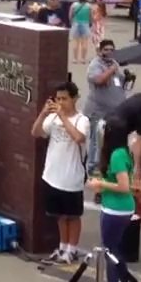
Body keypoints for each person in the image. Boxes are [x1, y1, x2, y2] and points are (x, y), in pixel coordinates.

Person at [86, 116, 141, 282]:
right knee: (114, 249)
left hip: (116, 209)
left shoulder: (117, 155)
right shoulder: (121, 152)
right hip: (118, 207)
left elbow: (124, 186)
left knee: (109, 251)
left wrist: (100, 184)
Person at [34, 82, 90, 265]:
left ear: (74, 98)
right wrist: (43, 113)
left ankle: (72, 250)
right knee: (59, 215)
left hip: (72, 176)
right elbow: (35, 132)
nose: (60, 102)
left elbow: (79, 138)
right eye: (58, 99)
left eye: (64, 99)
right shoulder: (53, 119)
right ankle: (62, 247)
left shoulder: (82, 120)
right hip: (52, 175)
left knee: (73, 216)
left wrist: (63, 117)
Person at [83, 39, 126, 176]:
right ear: (100, 51)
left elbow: (118, 81)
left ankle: (104, 165)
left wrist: (127, 78)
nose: (109, 52)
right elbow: (99, 80)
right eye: (106, 49)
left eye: (111, 50)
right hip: (98, 111)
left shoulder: (114, 63)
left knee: (108, 139)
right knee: (96, 140)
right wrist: (112, 70)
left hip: (113, 112)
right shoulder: (95, 65)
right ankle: (92, 167)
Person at [69, 0, 94, 65]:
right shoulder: (88, 6)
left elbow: (70, 15)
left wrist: (71, 22)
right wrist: (91, 23)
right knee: (84, 43)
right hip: (85, 24)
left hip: (76, 24)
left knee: (75, 42)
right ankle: (83, 59)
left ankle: (75, 59)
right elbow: (91, 16)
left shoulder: (74, 5)